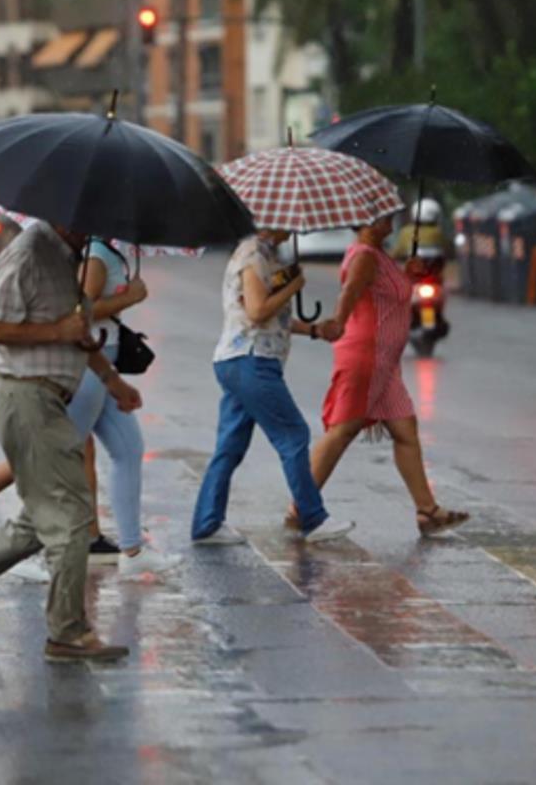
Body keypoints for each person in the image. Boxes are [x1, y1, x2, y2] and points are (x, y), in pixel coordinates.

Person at [0, 219, 141, 663]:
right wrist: (58, 332)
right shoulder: (29, 253)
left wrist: (112, 381)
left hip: (47, 396)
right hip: (25, 395)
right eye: (90, 215)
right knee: (73, 516)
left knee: (42, 520)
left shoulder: (68, 255)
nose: (97, 225)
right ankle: (67, 633)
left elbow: (75, 330)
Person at [0, 238, 179, 580]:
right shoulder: (97, 257)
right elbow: (80, 311)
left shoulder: (108, 252)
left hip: (104, 366)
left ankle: (133, 550)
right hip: (86, 370)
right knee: (46, 458)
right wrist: (128, 298)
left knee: (128, 449)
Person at [288, 214, 469, 536]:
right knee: (343, 430)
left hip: (385, 362)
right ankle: (300, 506)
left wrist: (407, 275)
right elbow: (350, 292)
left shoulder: (378, 255)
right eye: (384, 219)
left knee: (405, 429)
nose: (391, 223)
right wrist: (337, 322)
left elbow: (386, 297)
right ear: (367, 222)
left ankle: (427, 511)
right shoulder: (365, 256)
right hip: (366, 356)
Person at [191, 228, 357, 545]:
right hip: (252, 360)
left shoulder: (266, 255)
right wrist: (294, 285)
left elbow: (271, 316)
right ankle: (313, 517)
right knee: (293, 434)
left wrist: (313, 330)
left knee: (230, 445)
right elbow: (257, 312)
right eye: (287, 222)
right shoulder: (253, 253)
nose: (293, 228)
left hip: (239, 359)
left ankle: (207, 523)